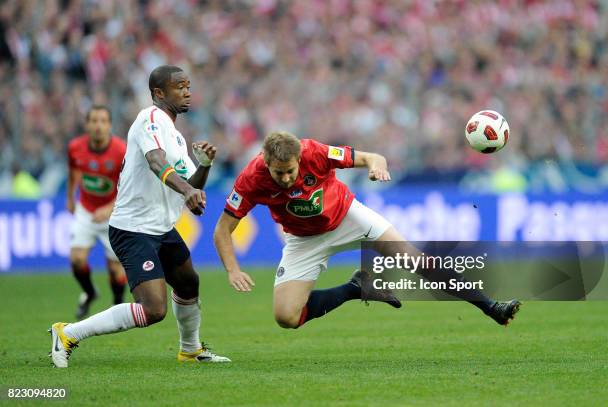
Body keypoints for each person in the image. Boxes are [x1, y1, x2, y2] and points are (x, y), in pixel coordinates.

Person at [214, 131, 520, 329]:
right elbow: (223, 229)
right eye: (279, 173)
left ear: (299, 159)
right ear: (265, 163)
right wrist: (232, 270)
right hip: (304, 239)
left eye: (291, 171)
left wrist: (377, 167)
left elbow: (371, 157)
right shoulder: (250, 179)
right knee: (286, 317)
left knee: (417, 262)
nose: (285, 178)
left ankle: (491, 307)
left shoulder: (314, 152)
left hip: (348, 217)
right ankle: (355, 288)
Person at [50, 65, 230, 367]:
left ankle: (190, 349)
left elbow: (190, 185)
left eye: (188, 86)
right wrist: (187, 191)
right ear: (159, 93)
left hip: (161, 227)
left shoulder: (174, 136)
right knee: (153, 309)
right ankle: (67, 333)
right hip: (133, 229)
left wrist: (204, 166)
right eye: (179, 87)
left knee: (188, 283)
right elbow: (155, 162)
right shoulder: (149, 119)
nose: (187, 92)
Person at [66, 105, 128, 319]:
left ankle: (118, 305)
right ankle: (90, 292)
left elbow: (130, 186)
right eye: (94, 121)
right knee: (77, 260)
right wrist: (70, 197)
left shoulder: (121, 151)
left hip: (113, 213)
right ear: (87, 124)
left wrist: (109, 208)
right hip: (86, 209)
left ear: (109, 125)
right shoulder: (75, 147)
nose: (98, 126)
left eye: (103, 121)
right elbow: (73, 170)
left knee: (115, 270)